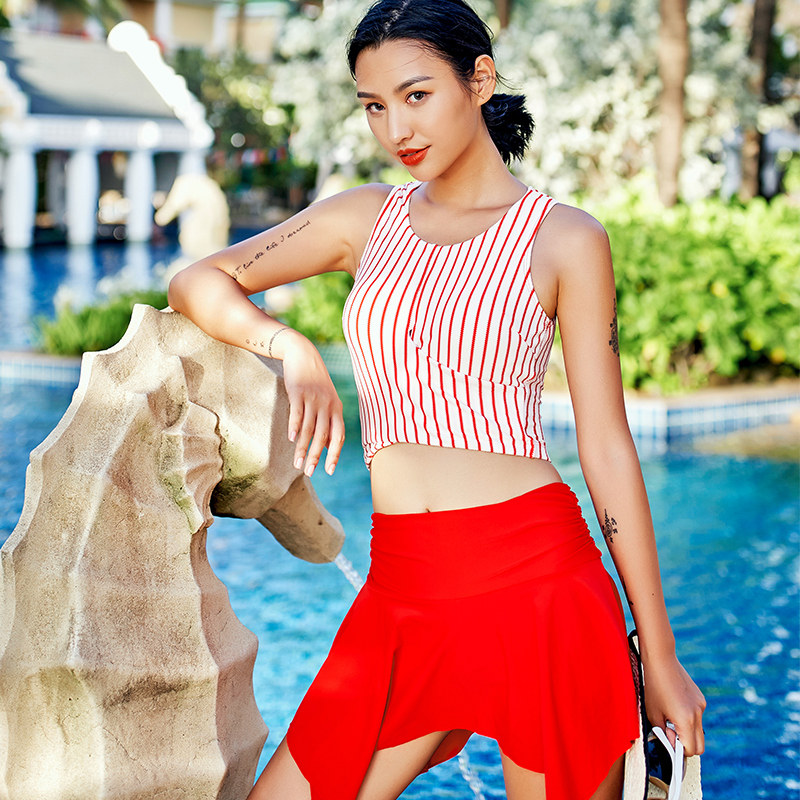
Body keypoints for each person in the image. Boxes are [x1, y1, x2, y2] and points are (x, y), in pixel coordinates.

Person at [168, 1, 706, 798]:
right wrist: (287, 345)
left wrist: (659, 656)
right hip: (403, 590)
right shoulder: (365, 219)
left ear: (479, 80)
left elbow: (606, 449)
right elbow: (197, 280)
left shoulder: (565, 238)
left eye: (416, 95)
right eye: (374, 106)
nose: (397, 129)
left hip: (539, 588)